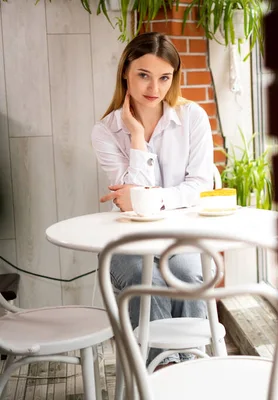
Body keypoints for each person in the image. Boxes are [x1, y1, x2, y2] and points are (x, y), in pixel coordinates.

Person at [91, 32, 213, 369]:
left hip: (181, 240)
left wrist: (148, 198)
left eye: (164, 77)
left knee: (188, 273)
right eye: (143, 75)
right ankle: (158, 377)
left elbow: (200, 188)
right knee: (148, 281)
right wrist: (135, 137)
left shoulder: (192, 118)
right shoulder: (106, 131)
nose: (153, 88)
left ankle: (192, 370)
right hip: (128, 244)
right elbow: (130, 204)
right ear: (125, 72)